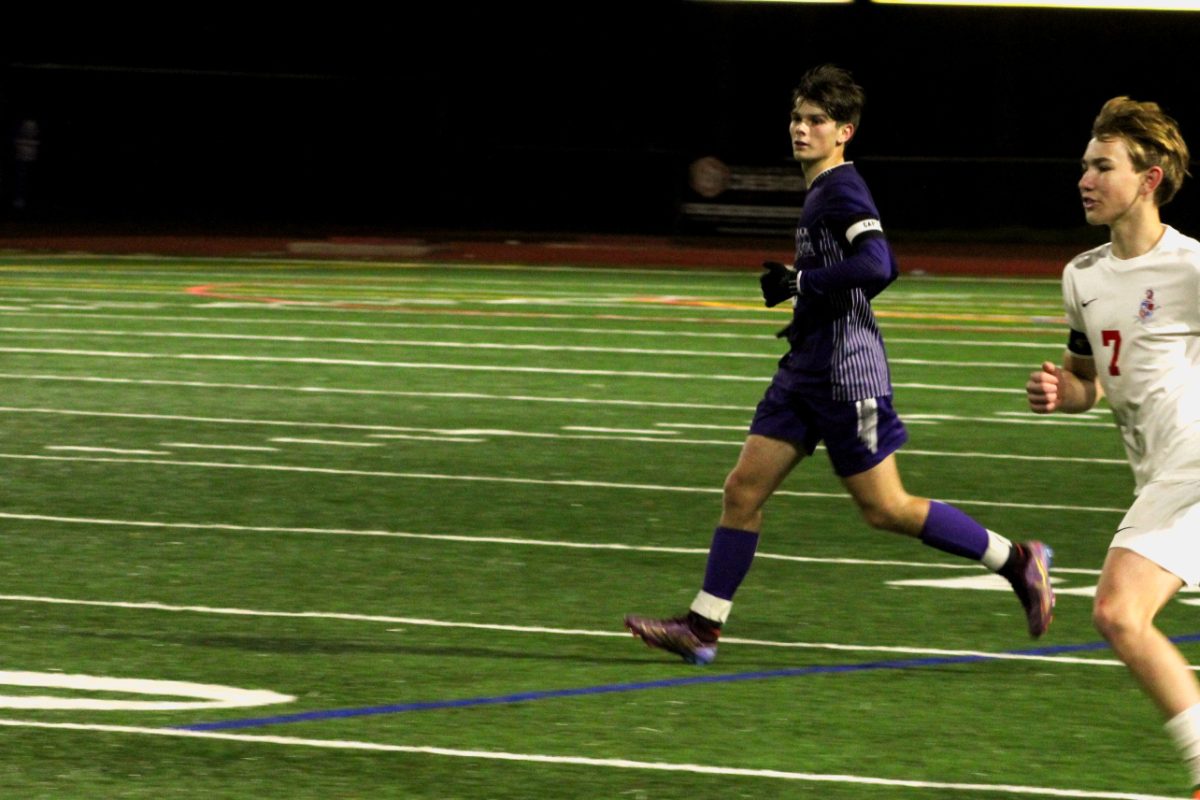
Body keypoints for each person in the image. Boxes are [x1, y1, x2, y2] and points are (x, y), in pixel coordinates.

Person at [624, 64, 1055, 668]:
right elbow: (841, 282)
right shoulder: (820, 189)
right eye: (797, 118)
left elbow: (879, 265)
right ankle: (702, 627)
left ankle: (1017, 559)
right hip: (805, 369)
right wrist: (803, 314)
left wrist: (803, 280)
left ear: (844, 131)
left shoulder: (843, 188)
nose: (801, 129)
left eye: (816, 121)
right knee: (742, 491)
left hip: (847, 377)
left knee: (887, 509)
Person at [1026, 95, 1200, 797]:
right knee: (1123, 615)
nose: (1086, 179)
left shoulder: (1190, 267)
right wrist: (1058, 394)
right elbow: (1087, 382)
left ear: (1148, 178)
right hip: (1159, 470)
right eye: (1084, 166)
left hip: (1192, 463)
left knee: (1117, 610)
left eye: (1104, 166)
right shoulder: (1082, 277)